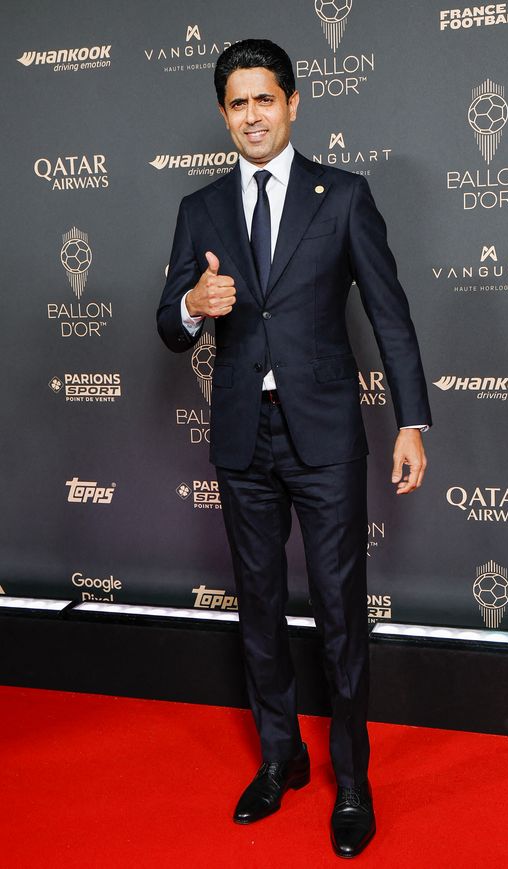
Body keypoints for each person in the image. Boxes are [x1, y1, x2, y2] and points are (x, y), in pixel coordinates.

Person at [157, 38, 431, 859]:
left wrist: (412, 421)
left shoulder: (342, 195)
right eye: (237, 103)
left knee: (343, 613)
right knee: (259, 609)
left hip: (325, 436)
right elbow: (168, 324)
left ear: (294, 102)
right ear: (223, 113)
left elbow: (390, 314)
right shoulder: (199, 209)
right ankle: (281, 756)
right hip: (243, 435)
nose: (252, 116)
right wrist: (195, 305)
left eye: (264, 99)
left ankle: (352, 777)